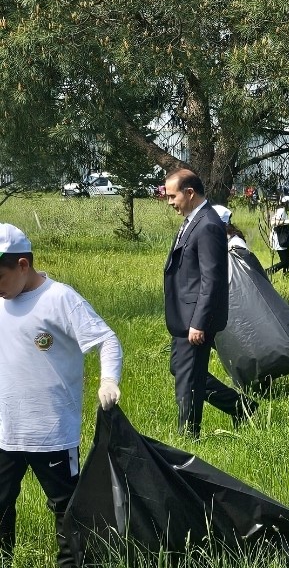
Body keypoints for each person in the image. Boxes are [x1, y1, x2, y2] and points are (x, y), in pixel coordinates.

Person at [0, 223, 123, 567]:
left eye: (0, 278)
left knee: (66, 508)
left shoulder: (59, 299)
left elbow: (107, 340)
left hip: (51, 433)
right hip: (5, 431)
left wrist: (108, 380)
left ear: (23, 265)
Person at [164, 169, 256, 438]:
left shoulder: (208, 225)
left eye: (172, 196)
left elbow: (212, 279)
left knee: (188, 377)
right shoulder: (194, 218)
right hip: (184, 315)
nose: (169, 202)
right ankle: (241, 406)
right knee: (181, 369)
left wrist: (198, 323)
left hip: (194, 319)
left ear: (189, 193)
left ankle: (188, 436)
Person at [267, 202, 289, 276]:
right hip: (279, 239)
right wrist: (287, 222)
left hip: (282, 238)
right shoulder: (281, 210)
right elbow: (273, 222)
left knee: (288, 260)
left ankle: (286, 277)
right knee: (285, 261)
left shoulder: (283, 210)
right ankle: (266, 272)